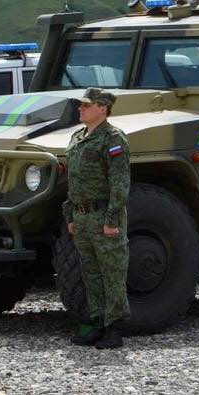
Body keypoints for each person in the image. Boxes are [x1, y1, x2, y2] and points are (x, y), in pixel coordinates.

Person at [63, 87, 131, 349]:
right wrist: (70, 214)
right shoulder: (78, 137)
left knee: (112, 272)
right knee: (91, 273)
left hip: (104, 216)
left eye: (86, 105)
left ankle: (115, 329)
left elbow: (120, 184)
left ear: (103, 108)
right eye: (80, 105)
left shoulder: (113, 139)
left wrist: (112, 220)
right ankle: (97, 322)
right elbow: (74, 180)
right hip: (82, 217)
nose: (80, 109)